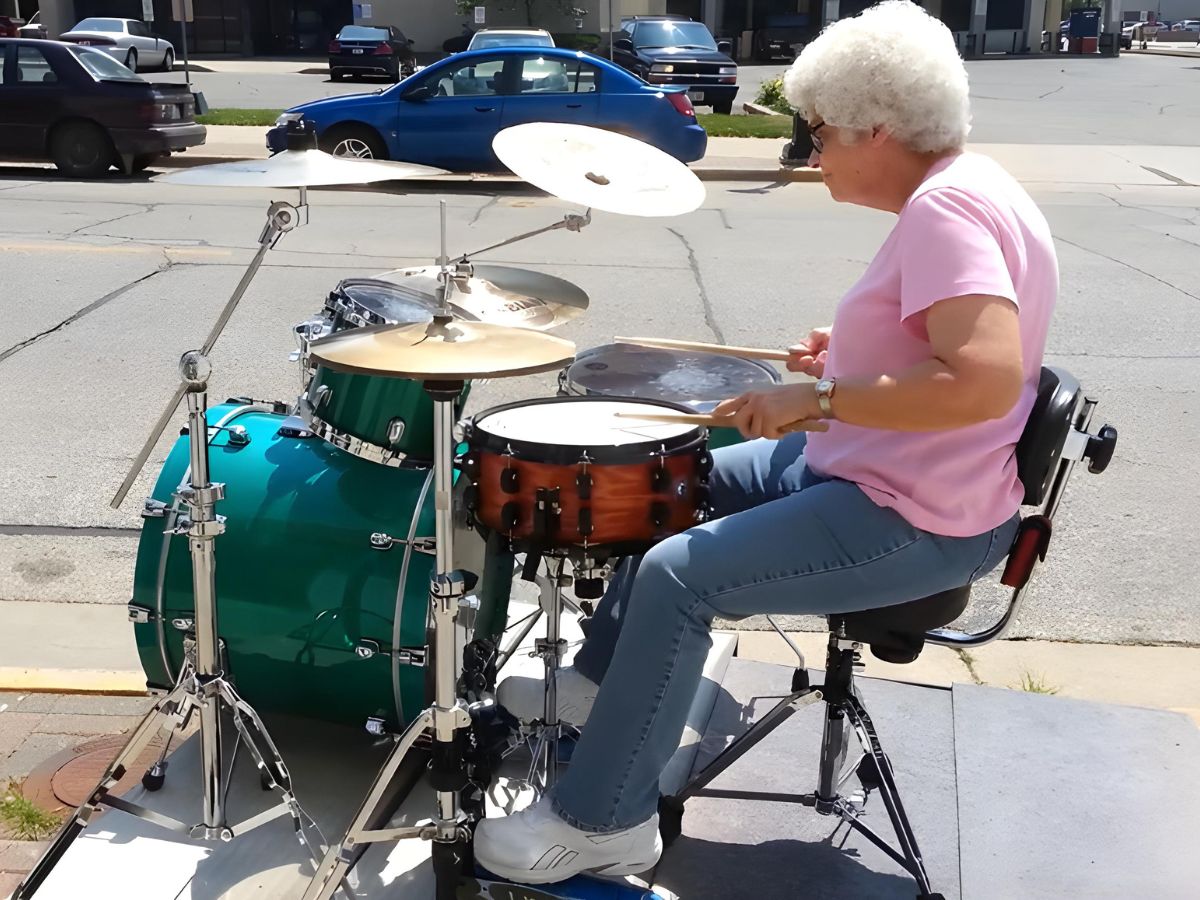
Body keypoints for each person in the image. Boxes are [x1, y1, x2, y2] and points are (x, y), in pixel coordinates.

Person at [474, 0, 1058, 884]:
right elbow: (938, 345)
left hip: (917, 514)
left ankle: (605, 822)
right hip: (876, 468)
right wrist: (851, 355)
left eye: (816, 131)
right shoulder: (972, 187)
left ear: (876, 129)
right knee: (669, 472)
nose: (809, 150)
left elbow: (982, 381)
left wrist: (819, 397)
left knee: (680, 575)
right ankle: (604, 688)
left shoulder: (948, 215)